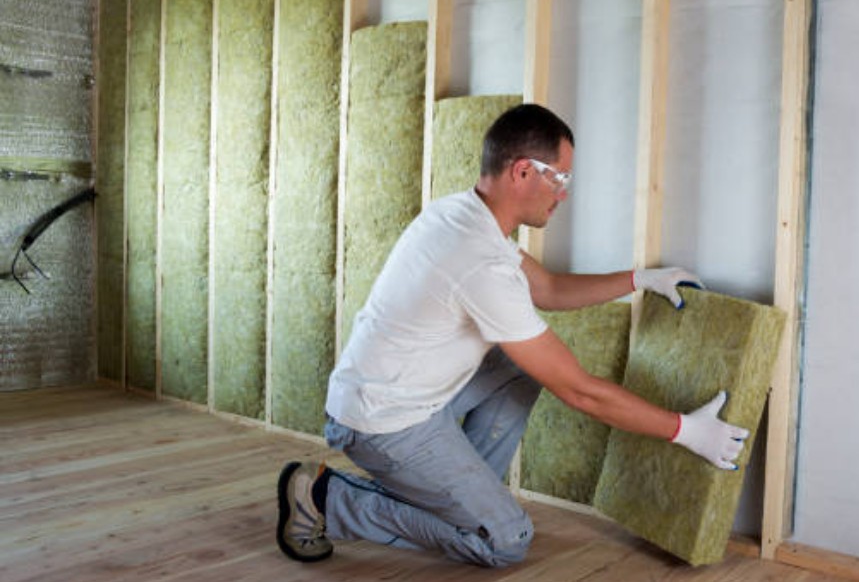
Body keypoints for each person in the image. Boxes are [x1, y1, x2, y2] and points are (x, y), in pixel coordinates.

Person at [275, 103, 749, 567]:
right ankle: (323, 497)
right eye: (559, 178)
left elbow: (548, 288)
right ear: (523, 172)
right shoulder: (477, 259)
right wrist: (687, 431)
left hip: (401, 396)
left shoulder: (463, 217)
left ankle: (466, 501)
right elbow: (581, 392)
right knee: (506, 541)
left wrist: (640, 279)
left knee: (516, 371)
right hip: (382, 424)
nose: (563, 194)